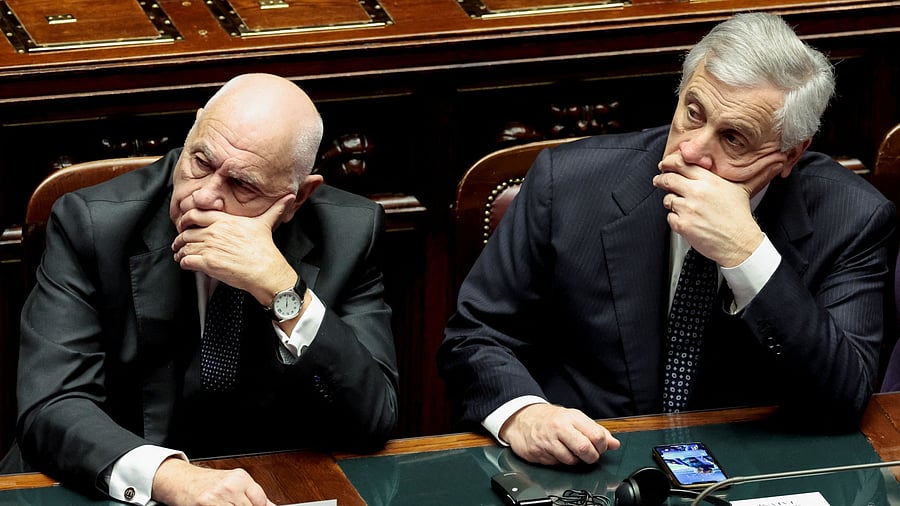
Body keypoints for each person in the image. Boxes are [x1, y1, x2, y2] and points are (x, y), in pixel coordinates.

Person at [438, 12, 896, 467]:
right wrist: (524, 413)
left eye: (733, 138)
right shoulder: (570, 184)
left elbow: (844, 399)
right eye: (693, 113)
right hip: (589, 469)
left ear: (789, 153)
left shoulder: (852, 218)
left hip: (748, 474)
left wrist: (747, 254)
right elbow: (475, 337)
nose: (692, 150)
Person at [2, 73, 399, 505]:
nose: (204, 196)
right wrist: (173, 478)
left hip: (272, 488)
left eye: (242, 185)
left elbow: (373, 419)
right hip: (110, 487)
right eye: (201, 162)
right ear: (193, 131)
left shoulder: (349, 232)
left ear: (298, 197)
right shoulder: (92, 224)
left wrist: (283, 289)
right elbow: (52, 406)